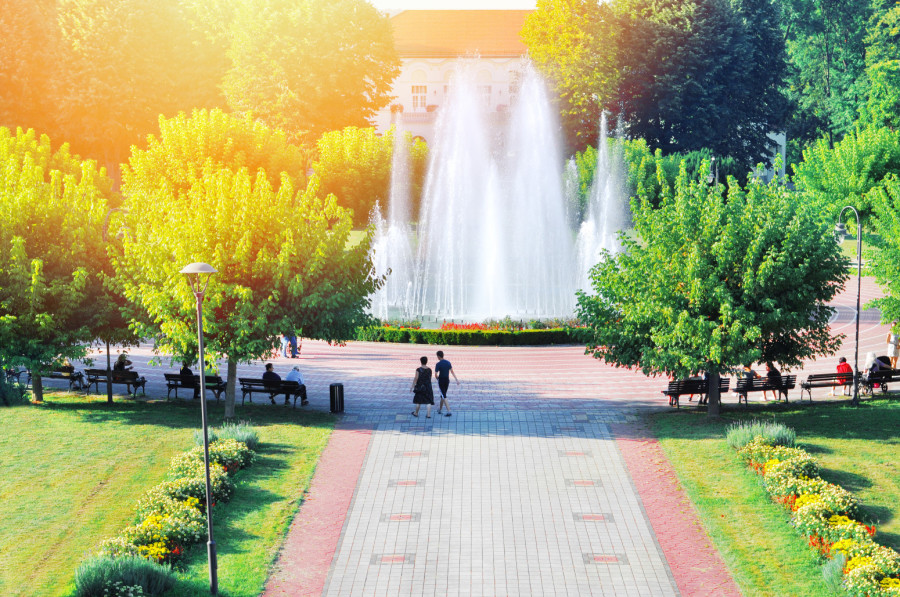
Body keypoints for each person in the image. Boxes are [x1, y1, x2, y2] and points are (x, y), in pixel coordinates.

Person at [434, 350, 459, 416]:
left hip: (441, 380)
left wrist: (437, 378)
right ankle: (440, 409)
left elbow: (436, 374)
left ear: (438, 356)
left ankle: (449, 411)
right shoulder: (448, 362)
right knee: (443, 394)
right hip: (447, 380)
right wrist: (456, 380)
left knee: (444, 395)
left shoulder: (438, 364)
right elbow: (452, 371)